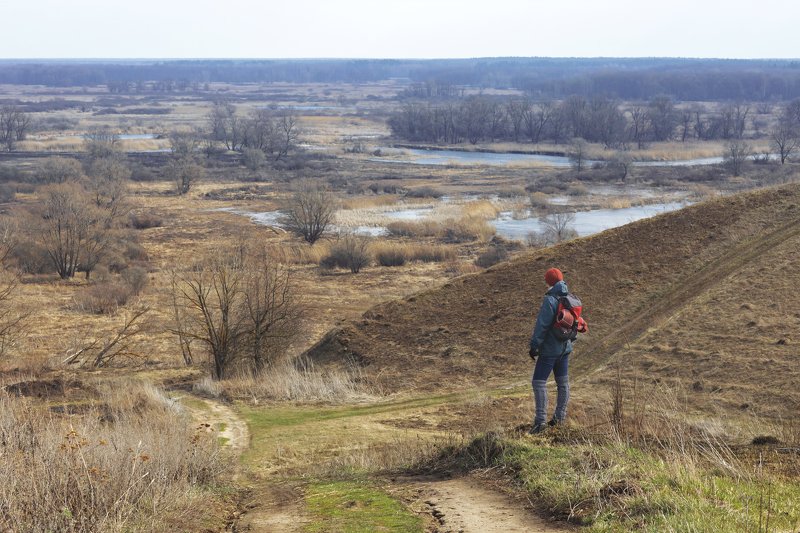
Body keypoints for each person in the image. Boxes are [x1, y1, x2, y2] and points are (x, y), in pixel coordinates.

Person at [528, 267, 572, 434]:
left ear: (549, 282)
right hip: (564, 349)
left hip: (549, 351)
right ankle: (559, 419)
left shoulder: (550, 300)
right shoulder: (569, 297)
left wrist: (534, 346)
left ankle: (540, 423)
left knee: (538, 383)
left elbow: (542, 325)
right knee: (563, 384)